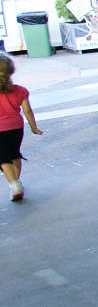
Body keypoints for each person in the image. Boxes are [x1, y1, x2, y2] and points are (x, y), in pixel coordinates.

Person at [0, 52, 43, 201]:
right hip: (16, 128)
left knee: (3, 158)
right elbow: (27, 111)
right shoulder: (20, 90)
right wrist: (33, 127)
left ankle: (14, 184)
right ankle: (16, 181)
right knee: (14, 154)